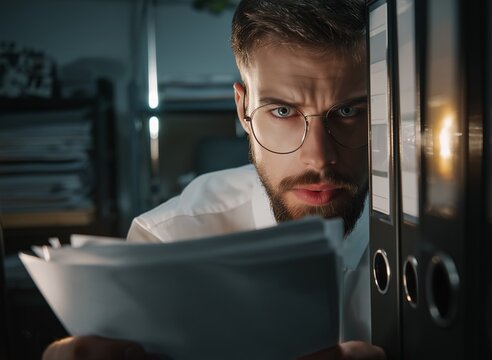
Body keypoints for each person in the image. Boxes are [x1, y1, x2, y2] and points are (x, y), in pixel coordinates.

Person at [43, 0, 385, 359]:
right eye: (282, 111)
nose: (318, 157)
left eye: (348, 111)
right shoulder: (169, 243)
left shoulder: (436, 231)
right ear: (243, 109)